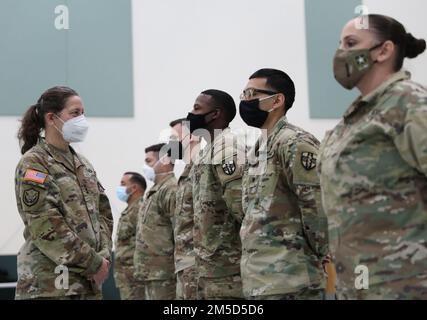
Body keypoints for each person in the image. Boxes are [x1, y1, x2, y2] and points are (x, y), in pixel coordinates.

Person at [319, 14, 427, 299]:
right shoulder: (356, 117)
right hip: (357, 283)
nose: (342, 52)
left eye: (351, 43)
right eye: (340, 43)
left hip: (403, 283)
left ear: (384, 50)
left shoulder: (408, 103)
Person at [14, 86, 113, 300]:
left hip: (87, 283)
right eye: (75, 113)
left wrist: (103, 256)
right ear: (52, 118)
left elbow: (103, 213)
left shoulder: (83, 164)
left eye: (83, 113)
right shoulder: (35, 162)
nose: (82, 120)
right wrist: (93, 263)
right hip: (51, 285)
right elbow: (45, 223)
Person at [239, 69, 329, 300]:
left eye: (251, 94)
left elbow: (316, 207)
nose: (245, 101)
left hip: (293, 280)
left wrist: (320, 256)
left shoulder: (294, 142)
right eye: (243, 94)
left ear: (277, 100)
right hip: (260, 280)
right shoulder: (258, 149)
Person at [186, 89, 245, 299]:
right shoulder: (207, 151)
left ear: (215, 114)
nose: (191, 114)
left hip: (228, 267)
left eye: (197, 108)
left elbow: (242, 208)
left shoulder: (227, 148)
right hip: (210, 265)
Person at [133, 143, 177, 300]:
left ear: (164, 160)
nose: (145, 166)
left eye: (149, 161)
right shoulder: (155, 190)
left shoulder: (170, 189)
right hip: (151, 272)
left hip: (165, 272)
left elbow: (178, 230)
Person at [169, 118, 200, 299]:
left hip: (198, 263)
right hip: (185, 262)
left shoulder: (204, 167)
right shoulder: (187, 171)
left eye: (175, 137)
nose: (171, 143)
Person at [114, 172, 146, 300]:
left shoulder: (141, 209)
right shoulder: (130, 210)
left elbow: (146, 241)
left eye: (123, 184)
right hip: (126, 276)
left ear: (134, 188)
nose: (119, 187)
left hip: (135, 276)